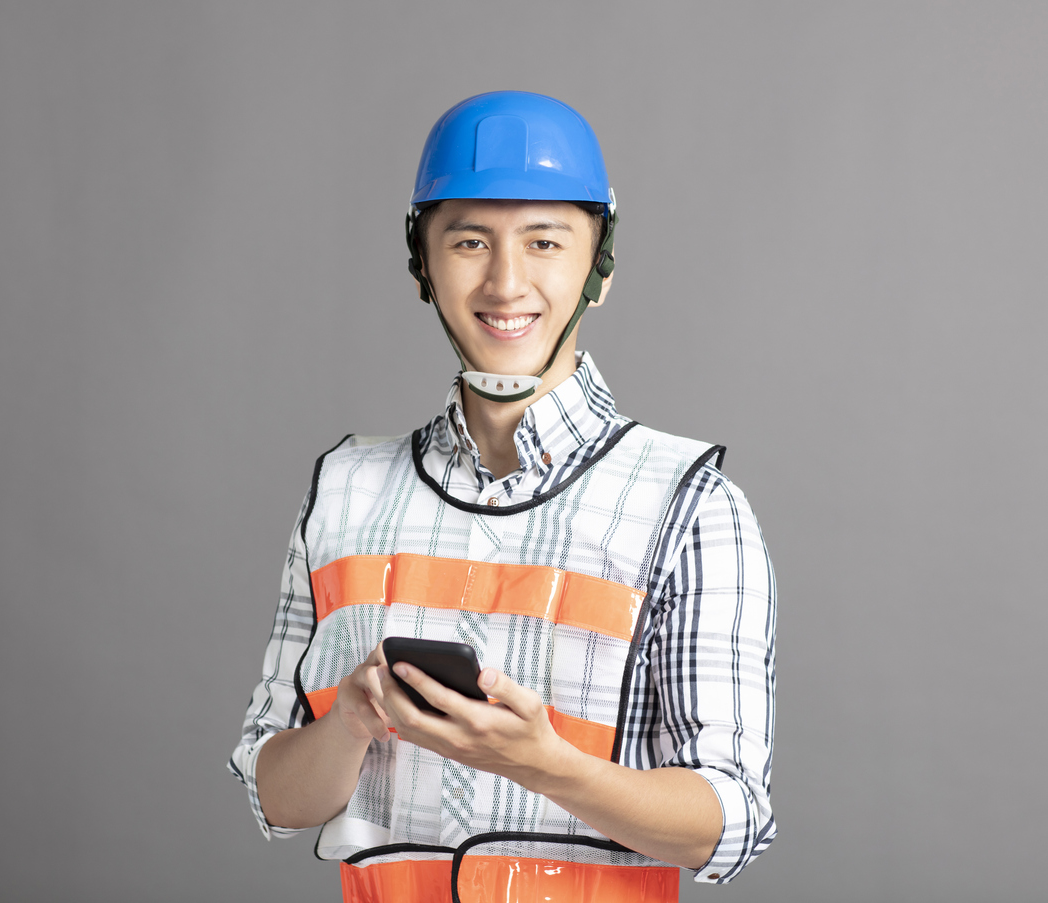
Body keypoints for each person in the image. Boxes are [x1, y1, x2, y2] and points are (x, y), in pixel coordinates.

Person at [229, 91, 776, 902]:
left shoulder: (690, 506)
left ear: (600, 267)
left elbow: (730, 820)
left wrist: (544, 763)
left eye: (545, 241)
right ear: (423, 263)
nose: (506, 279)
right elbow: (275, 797)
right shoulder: (343, 491)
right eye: (470, 240)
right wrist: (349, 719)